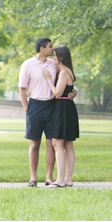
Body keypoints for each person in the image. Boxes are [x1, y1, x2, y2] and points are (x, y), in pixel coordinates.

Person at [17, 37, 76, 187]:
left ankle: (49, 178)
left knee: (52, 144)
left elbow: (66, 78)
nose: (53, 49)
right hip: (35, 106)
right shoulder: (27, 65)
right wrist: (27, 109)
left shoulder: (54, 64)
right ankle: (33, 178)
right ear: (42, 49)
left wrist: (73, 91)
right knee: (34, 143)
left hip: (53, 107)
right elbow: (22, 88)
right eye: (50, 46)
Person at [43, 45, 80, 187]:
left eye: (55, 56)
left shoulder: (63, 72)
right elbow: (69, 90)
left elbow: (57, 93)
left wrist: (47, 79)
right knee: (68, 144)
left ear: (62, 57)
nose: (53, 58)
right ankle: (68, 179)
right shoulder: (68, 71)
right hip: (68, 108)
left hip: (62, 108)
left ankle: (60, 180)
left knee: (57, 144)